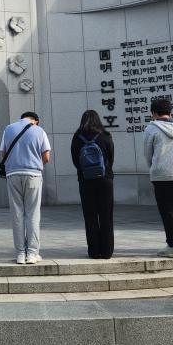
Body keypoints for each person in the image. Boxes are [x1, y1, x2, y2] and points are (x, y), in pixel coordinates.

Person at [143, 98, 173, 258]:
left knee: (168, 210)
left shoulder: (151, 129)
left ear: (154, 113)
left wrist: (154, 166)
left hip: (162, 174)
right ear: (170, 112)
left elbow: (148, 154)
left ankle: (172, 245)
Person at [0, 111, 51, 265]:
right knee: (32, 214)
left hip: (13, 174)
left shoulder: (8, 129)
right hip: (33, 174)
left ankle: (21, 253)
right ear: (35, 120)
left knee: (17, 214)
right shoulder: (39, 131)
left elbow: (3, 153)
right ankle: (32, 254)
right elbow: (46, 156)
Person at [70, 110, 115, 260]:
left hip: (85, 180)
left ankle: (94, 252)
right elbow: (110, 158)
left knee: (90, 216)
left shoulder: (77, 137)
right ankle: (107, 251)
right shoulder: (105, 136)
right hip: (105, 179)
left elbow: (76, 161)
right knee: (106, 216)